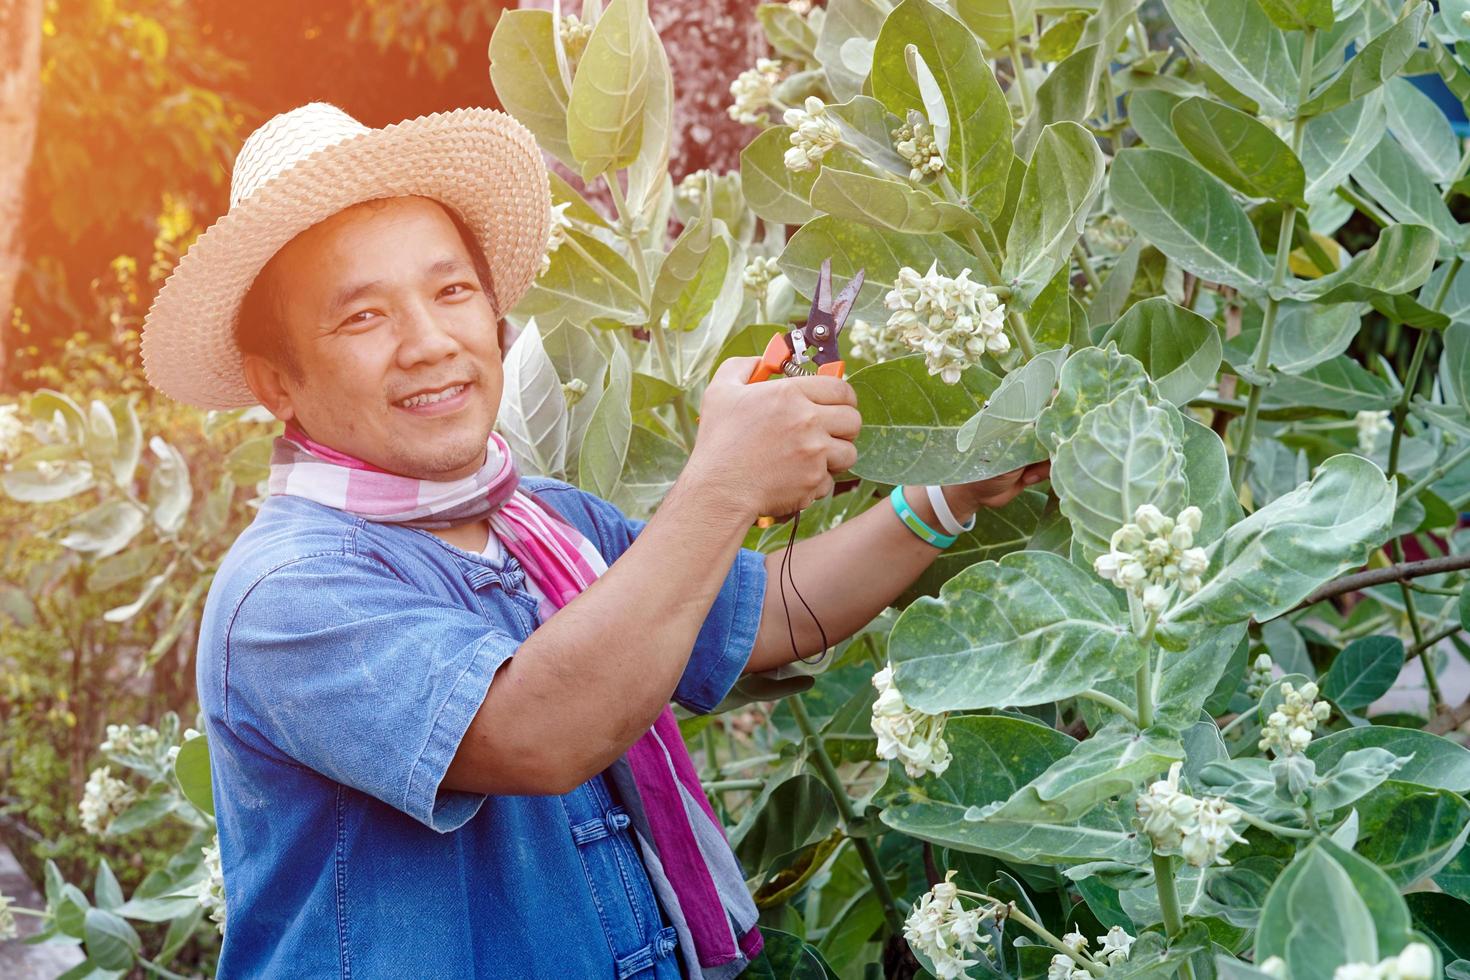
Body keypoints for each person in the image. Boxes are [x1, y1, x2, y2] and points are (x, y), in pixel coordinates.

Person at [139, 102, 1050, 979]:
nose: (427, 342)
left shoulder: (547, 519)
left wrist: (947, 495)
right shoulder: (287, 592)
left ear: (494, 320)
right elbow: (536, 730)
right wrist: (725, 479)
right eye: (362, 316)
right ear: (277, 382)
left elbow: (764, 612)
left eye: (451, 290)